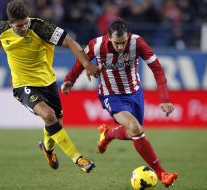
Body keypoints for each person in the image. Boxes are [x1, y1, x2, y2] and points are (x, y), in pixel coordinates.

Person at [0, 0, 100, 173]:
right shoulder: (3, 28)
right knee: (49, 116)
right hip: (22, 85)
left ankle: (47, 149)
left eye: (26, 23)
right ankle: (78, 159)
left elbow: (70, 42)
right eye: (19, 26)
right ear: (10, 24)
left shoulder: (41, 28)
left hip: (48, 83)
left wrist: (87, 65)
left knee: (55, 124)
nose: (23, 28)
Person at [61, 19, 178, 187]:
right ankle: (162, 174)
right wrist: (69, 80)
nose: (121, 47)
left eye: (123, 43)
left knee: (133, 133)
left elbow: (157, 68)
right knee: (135, 128)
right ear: (109, 37)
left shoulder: (137, 43)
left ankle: (107, 135)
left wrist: (165, 98)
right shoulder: (97, 44)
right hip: (111, 95)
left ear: (128, 37)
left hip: (135, 93)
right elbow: (82, 61)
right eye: (117, 43)